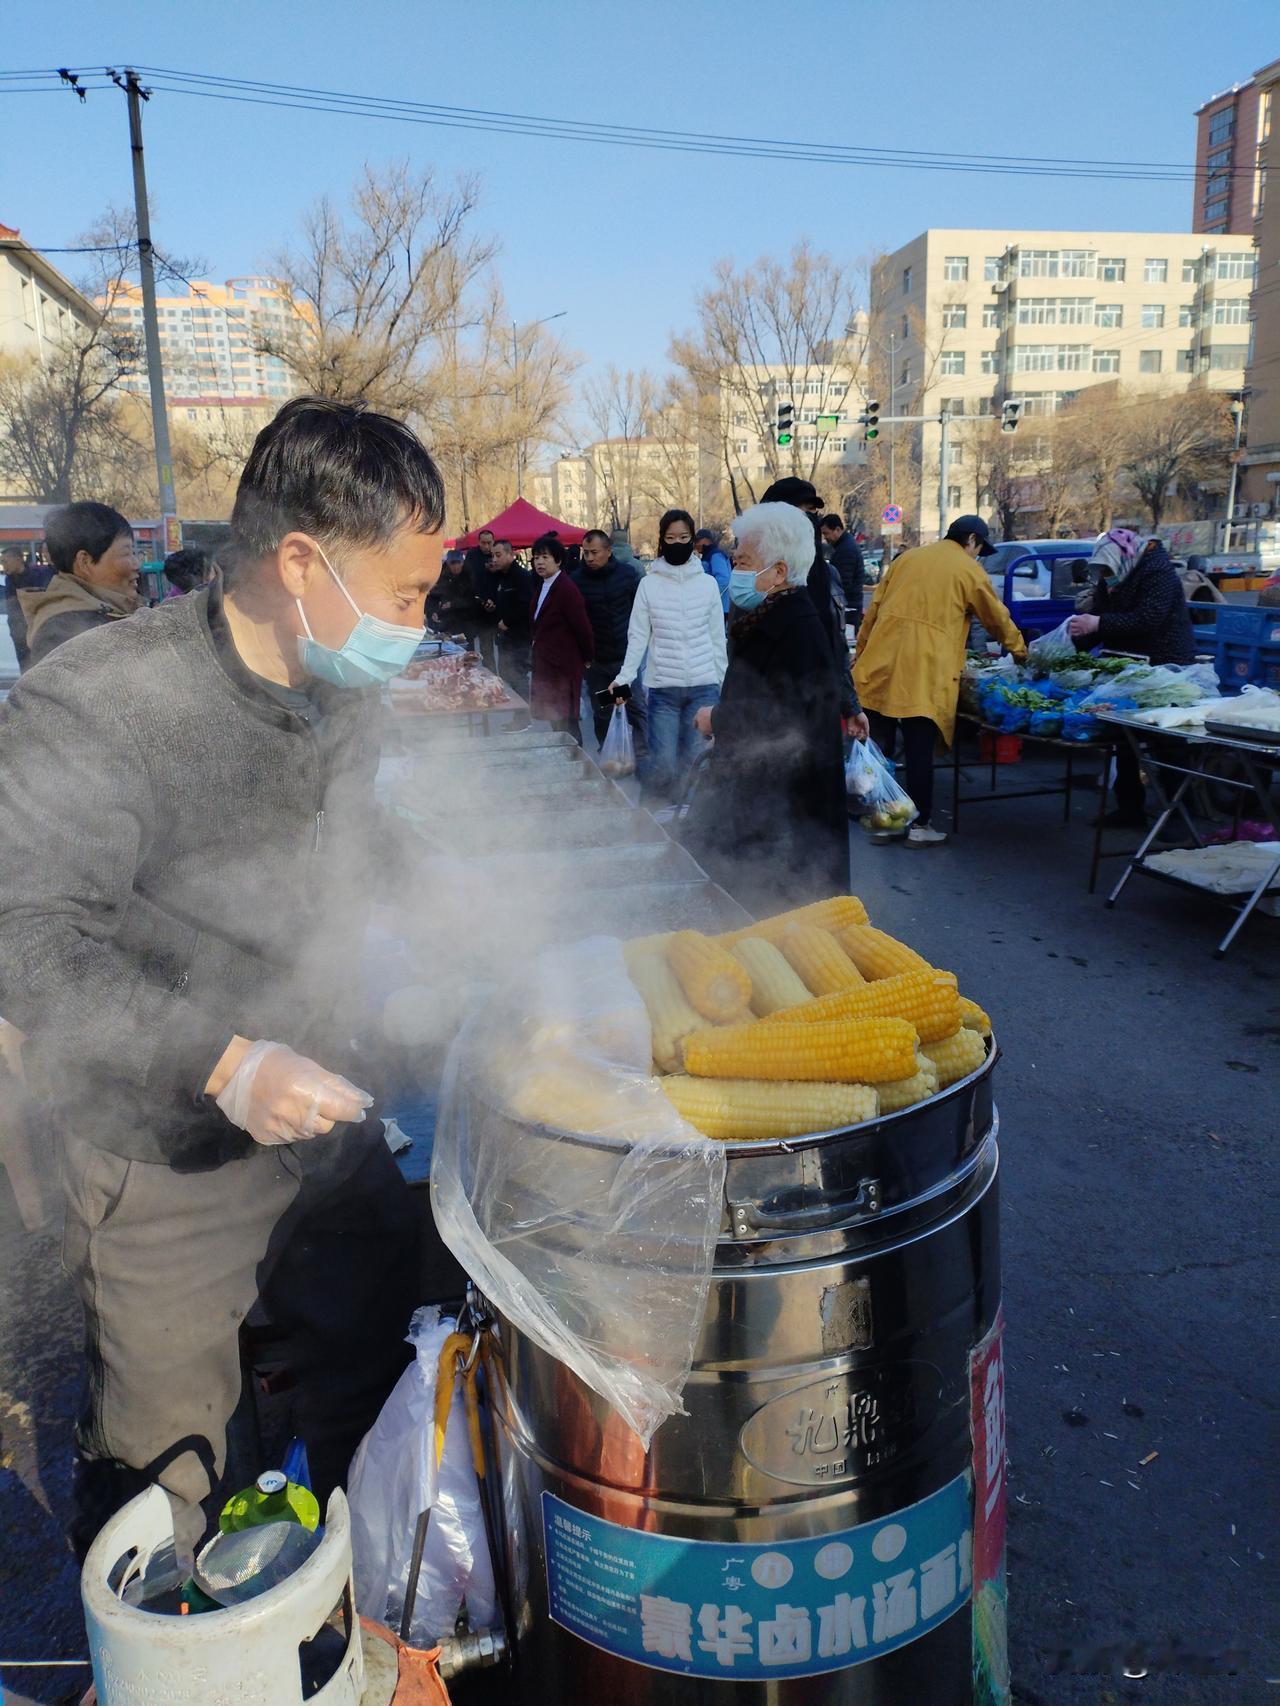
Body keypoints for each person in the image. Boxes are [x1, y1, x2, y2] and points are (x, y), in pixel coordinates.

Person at [0, 396, 439, 1561]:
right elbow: (27, 937)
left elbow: (362, 843)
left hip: (330, 1106)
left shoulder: (343, 690)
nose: (419, 621)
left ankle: (351, 1610)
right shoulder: (99, 702)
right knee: (170, 1470)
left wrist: (478, 927)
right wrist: (224, 1060)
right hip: (159, 1147)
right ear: (303, 562)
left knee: (370, 1379)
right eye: (405, 593)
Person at [687, 503, 868, 910]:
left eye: (745, 562)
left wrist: (716, 718)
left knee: (785, 914)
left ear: (780, 571)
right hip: (765, 795)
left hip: (789, 809)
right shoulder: (769, 615)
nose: (736, 571)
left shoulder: (796, 626)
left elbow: (783, 718)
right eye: (735, 561)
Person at [855, 514, 1028, 848]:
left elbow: (872, 611)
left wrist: (862, 653)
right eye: (979, 548)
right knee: (919, 751)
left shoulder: (907, 558)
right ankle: (919, 826)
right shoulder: (967, 569)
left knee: (881, 750)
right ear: (972, 541)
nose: (978, 554)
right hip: (924, 673)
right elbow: (997, 618)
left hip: (880, 666)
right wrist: (1020, 652)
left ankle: (883, 824)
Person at [1069, 529, 1197, 828]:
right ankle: (1129, 808)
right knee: (1125, 739)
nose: (1107, 579)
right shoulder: (1112, 575)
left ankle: (1179, 816)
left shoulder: (1157, 572)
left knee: (1167, 741)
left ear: (1124, 559)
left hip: (1166, 666)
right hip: (1126, 666)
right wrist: (1074, 640)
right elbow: (1100, 619)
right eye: (1102, 573)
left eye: (1109, 573)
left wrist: (1098, 622)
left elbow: (1148, 618)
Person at [610, 508, 726, 808]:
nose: (678, 543)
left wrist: (724, 685)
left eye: (684, 537)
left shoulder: (708, 584)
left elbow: (717, 639)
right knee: (664, 764)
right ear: (662, 540)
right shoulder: (649, 585)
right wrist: (625, 677)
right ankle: (651, 797)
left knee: (694, 761)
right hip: (664, 690)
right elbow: (638, 636)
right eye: (671, 537)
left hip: (704, 688)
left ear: (694, 540)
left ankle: (685, 820)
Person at [761, 478, 856, 717]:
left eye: (812, 512)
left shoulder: (828, 575)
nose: (808, 519)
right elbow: (740, 655)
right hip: (772, 715)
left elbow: (837, 646)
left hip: (824, 708)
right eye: (799, 510)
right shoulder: (757, 577)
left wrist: (851, 706)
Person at [19, 502, 140, 669]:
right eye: (126, 553)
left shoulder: (105, 613)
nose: (136, 564)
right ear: (85, 562)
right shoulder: (63, 631)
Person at [572, 528, 645, 748]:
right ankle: (608, 752)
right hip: (597, 663)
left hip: (625, 661)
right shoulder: (577, 581)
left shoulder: (627, 575)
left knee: (636, 709)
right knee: (603, 711)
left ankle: (643, 756)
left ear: (609, 551)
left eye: (595, 552)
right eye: (586, 553)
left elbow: (639, 613)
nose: (590, 558)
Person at [530, 533, 593, 744]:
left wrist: (587, 656)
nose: (539, 561)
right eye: (536, 557)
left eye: (545, 557)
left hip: (563, 665)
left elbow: (582, 626)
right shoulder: (542, 585)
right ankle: (565, 756)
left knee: (566, 720)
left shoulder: (566, 588)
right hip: (546, 663)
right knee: (554, 718)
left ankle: (579, 761)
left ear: (558, 560)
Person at [490, 538, 535, 701]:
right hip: (504, 638)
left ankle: (522, 716)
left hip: (519, 637)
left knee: (518, 675)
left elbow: (526, 605)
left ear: (511, 555)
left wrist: (507, 621)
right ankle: (517, 712)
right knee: (506, 674)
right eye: (493, 555)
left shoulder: (521, 576)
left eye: (498, 555)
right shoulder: (501, 577)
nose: (494, 559)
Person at [425, 548, 482, 644]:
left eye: (458, 563)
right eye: (452, 563)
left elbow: (472, 600)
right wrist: (433, 612)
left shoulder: (470, 576)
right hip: (446, 622)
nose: (455, 566)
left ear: (462, 563)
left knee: (467, 652)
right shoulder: (441, 576)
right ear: (448, 563)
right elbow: (432, 597)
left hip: (466, 621)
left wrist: (453, 604)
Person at [820, 513, 866, 627]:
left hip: (848, 606)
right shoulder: (845, 545)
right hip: (850, 604)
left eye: (826, 533)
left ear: (837, 529)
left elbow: (842, 583)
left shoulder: (846, 550)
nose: (825, 538)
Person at [463, 528, 498, 666]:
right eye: (483, 543)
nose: (486, 546)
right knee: (469, 643)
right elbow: (467, 579)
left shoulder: (496, 554)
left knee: (487, 646)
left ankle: (491, 675)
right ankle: (469, 673)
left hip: (491, 605)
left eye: (489, 543)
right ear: (479, 542)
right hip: (474, 604)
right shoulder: (472, 555)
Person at [1, 544, 33, 668]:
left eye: (5, 561)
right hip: (18, 631)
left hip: (35, 629)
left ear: (18, 559)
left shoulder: (36, 575)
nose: (3, 565)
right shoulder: (9, 580)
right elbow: (11, 604)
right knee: (25, 667)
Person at [695, 528, 732, 614]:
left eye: (697, 541)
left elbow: (723, 580)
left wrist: (709, 598)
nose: (695, 544)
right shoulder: (708, 555)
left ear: (706, 540)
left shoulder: (715, 555)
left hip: (721, 607)